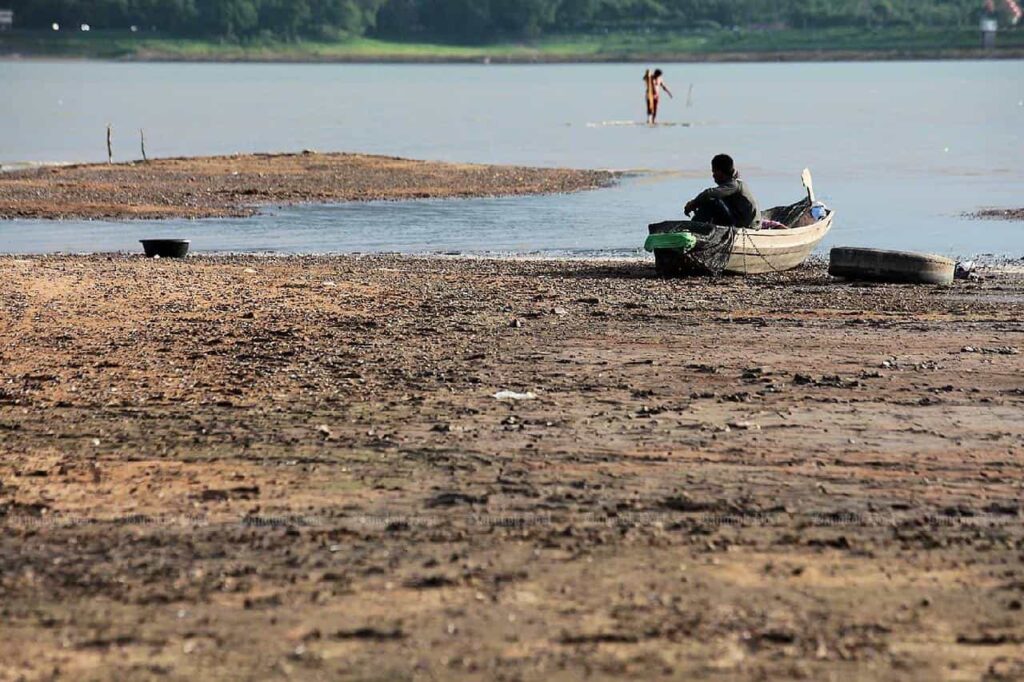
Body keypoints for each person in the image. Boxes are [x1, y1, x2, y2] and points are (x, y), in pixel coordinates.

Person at [684, 154, 761, 229]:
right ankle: (699, 227)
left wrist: (693, 204)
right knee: (710, 201)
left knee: (712, 202)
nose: (713, 175)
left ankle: (692, 229)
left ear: (720, 172)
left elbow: (709, 193)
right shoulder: (733, 183)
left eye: (714, 172)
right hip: (742, 219)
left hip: (747, 224)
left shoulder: (733, 185)